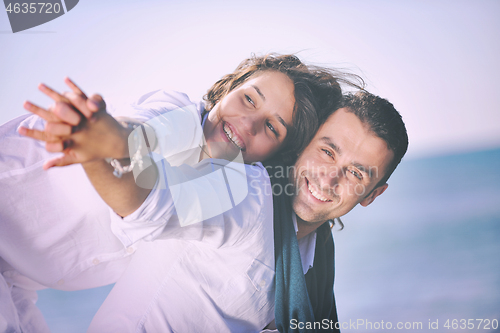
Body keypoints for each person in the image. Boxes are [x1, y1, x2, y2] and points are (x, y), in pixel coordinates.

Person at [0, 54, 359, 332]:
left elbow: (18, 275)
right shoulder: (174, 111)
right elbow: (143, 132)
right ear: (228, 87)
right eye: (248, 99)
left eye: (270, 127)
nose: (246, 123)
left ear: (276, 156)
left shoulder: (225, 191)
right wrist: (110, 138)